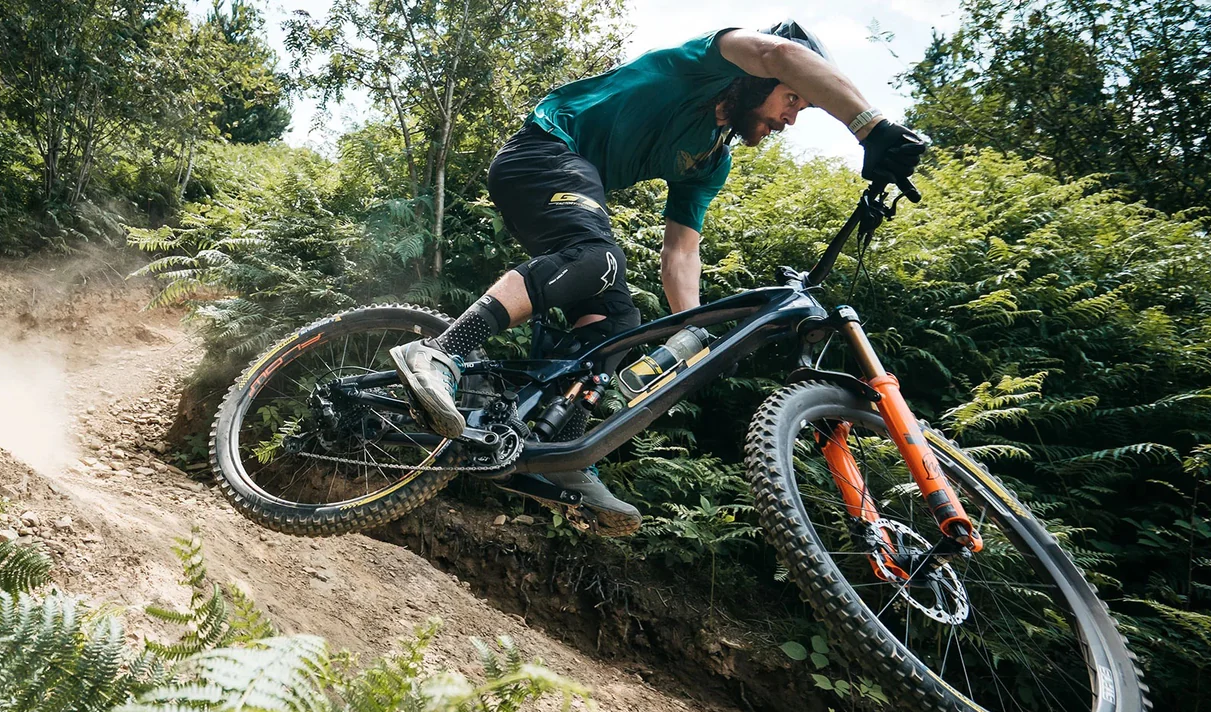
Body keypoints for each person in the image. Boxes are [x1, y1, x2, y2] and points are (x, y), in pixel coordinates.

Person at [388, 20, 927, 534]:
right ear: (759, 78)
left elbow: (681, 251)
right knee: (598, 257)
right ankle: (440, 352)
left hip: (572, 188)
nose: (789, 119)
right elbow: (781, 53)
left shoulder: (712, 160)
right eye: (792, 100)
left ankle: (559, 454)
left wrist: (692, 330)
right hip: (541, 152)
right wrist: (870, 127)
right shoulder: (706, 63)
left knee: (618, 325)